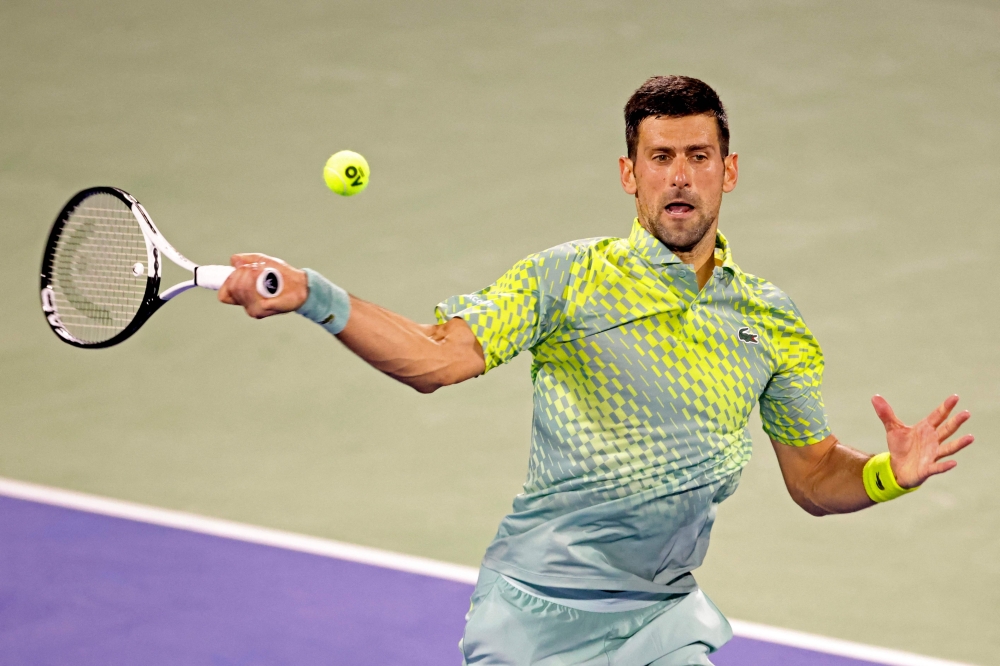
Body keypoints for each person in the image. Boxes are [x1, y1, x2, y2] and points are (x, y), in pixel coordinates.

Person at [218, 76, 974, 666]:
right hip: (536, 619)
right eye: (661, 157)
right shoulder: (567, 279)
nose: (680, 177)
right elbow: (436, 357)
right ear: (629, 173)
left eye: (698, 157)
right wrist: (317, 295)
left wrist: (884, 474)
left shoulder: (772, 322)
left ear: (729, 171)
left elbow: (812, 477)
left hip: (661, 622)